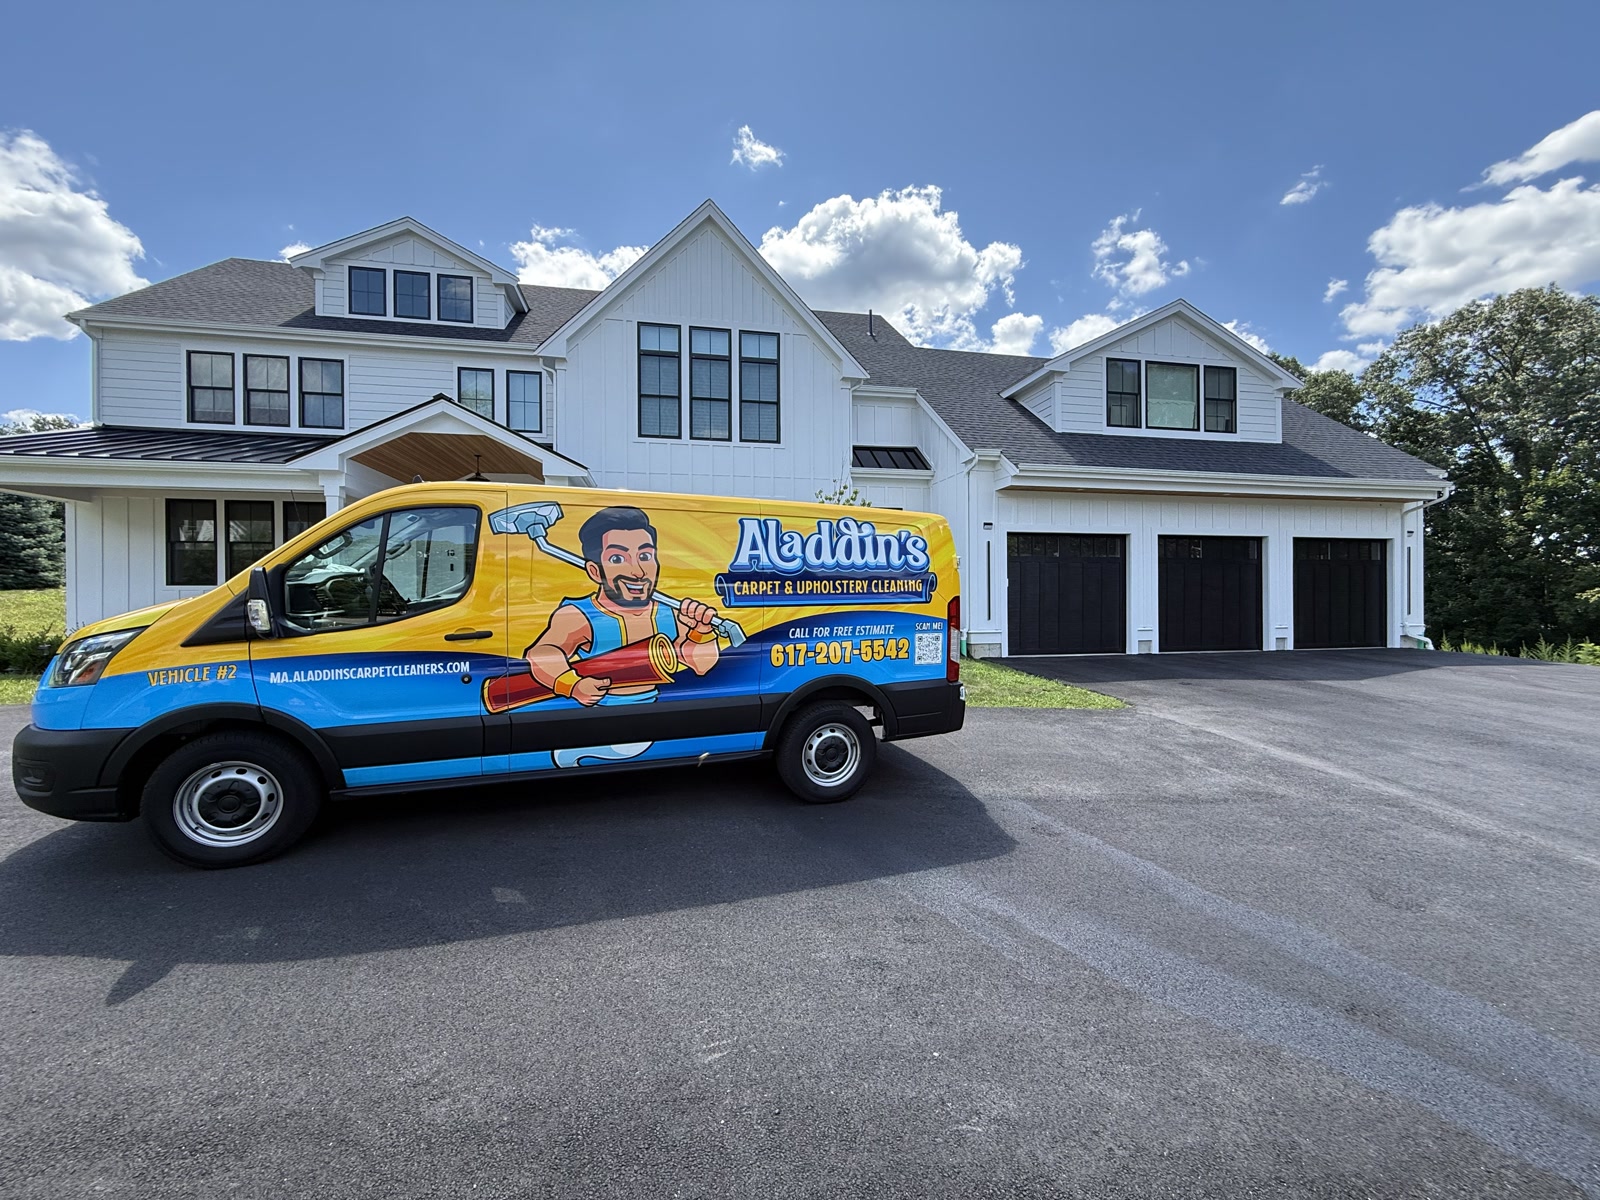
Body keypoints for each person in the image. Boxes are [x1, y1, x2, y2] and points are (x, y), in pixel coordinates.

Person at [524, 508, 721, 766]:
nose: (638, 571)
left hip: (652, 719)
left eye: (645, 556)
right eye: (618, 559)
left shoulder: (669, 613)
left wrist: (700, 633)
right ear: (595, 571)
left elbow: (700, 663)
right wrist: (570, 685)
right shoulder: (581, 615)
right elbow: (542, 652)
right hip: (597, 724)